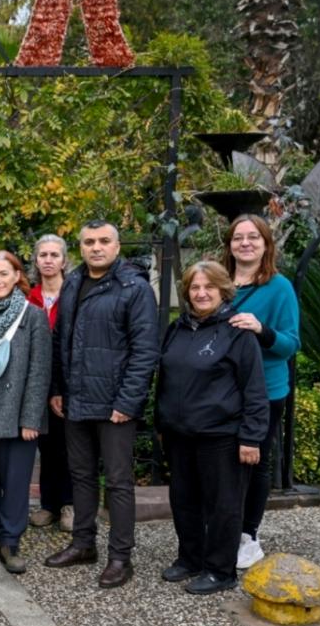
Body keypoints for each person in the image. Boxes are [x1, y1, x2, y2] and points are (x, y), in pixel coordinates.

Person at [45, 220, 159, 589]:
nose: (96, 247)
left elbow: (145, 351)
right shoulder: (73, 282)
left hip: (114, 405)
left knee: (119, 482)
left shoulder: (134, 288)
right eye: (89, 241)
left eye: (104, 241)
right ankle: (83, 544)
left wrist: (128, 401)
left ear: (117, 246)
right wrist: (58, 388)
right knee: (80, 475)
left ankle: (120, 557)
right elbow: (61, 341)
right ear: (80, 247)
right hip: (76, 399)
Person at [157, 261, 268, 594]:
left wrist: (251, 437)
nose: (201, 293)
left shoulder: (238, 332)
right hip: (179, 434)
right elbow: (165, 379)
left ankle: (220, 570)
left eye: (209, 287)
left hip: (221, 435)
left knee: (223, 506)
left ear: (223, 291)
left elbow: (254, 389)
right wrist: (161, 422)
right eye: (195, 287)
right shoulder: (177, 329)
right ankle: (190, 558)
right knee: (184, 500)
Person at [221, 214, 300, 570]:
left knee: (255, 462)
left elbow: (290, 344)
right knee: (222, 461)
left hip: (265, 391)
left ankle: (248, 535)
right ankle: (222, 526)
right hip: (222, 391)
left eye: (254, 237)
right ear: (229, 245)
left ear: (266, 244)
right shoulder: (219, 283)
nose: (245, 243)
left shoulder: (279, 287)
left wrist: (261, 330)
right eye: (238, 237)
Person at [0, 251, 51, 574]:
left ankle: (10, 539)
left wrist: (31, 418)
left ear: (17, 276)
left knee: (16, 479)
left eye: (4, 274)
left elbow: (39, 371)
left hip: (18, 410)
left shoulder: (33, 316)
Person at [27, 235, 74, 533]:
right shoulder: (29, 296)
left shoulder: (74, 295)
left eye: (54, 255)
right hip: (37, 382)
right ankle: (48, 504)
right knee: (45, 445)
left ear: (64, 260)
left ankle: (69, 504)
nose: (48, 260)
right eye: (43, 255)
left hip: (67, 381)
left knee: (68, 446)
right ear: (36, 260)